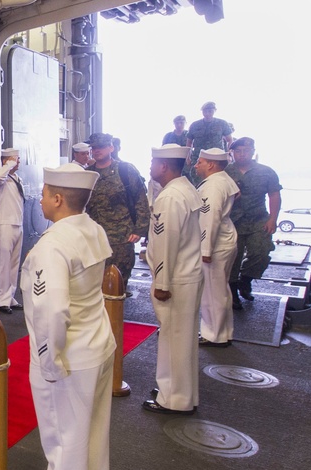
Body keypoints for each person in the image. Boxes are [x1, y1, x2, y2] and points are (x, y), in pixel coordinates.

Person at [18, 163, 115, 470]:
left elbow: (51, 311)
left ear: (58, 199)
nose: (40, 198)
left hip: (68, 356)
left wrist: (48, 361)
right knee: (91, 437)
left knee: (63, 443)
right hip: (99, 344)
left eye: (43, 193)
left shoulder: (51, 246)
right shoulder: (93, 229)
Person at [143, 144, 203, 415]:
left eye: (154, 162)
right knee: (182, 339)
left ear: (164, 166)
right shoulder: (186, 188)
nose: (151, 166)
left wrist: (162, 283)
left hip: (175, 278)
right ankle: (181, 393)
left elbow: (166, 242)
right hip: (187, 273)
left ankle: (174, 399)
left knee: (173, 340)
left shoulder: (169, 198)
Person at [85, 132, 150, 288]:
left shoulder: (125, 170)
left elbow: (140, 199)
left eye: (100, 147)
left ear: (111, 147)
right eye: (94, 147)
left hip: (121, 238)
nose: (96, 150)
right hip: (95, 237)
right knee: (95, 286)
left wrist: (140, 230)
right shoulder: (87, 174)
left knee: (117, 286)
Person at [225, 137, 282, 308]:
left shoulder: (266, 172)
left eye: (246, 151)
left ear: (253, 152)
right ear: (232, 153)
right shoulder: (225, 172)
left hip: (258, 220)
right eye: (238, 151)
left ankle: (246, 280)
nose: (242, 154)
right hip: (232, 221)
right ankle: (232, 291)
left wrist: (273, 219)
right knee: (231, 259)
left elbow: (274, 195)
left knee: (261, 253)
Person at [194, 148, 239, 346]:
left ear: (211, 165)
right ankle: (224, 331)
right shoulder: (223, 179)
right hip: (224, 240)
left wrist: (205, 250)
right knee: (221, 290)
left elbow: (209, 218)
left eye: (200, 162)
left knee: (212, 292)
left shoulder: (213, 186)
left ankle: (213, 334)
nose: (196, 166)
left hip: (215, 244)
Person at [0, 147, 25, 314]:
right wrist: (8, 164)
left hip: (18, 224)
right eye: (15, 159)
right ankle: (0, 300)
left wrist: (11, 165)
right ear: (6, 161)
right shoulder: (0, 179)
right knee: (3, 264)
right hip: (4, 224)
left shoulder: (16, 178)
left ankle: (10, 296)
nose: (18, 162)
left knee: (13, 264)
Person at [185, 102, 233, 185]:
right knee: (198, 184)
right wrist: (188, 157)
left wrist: (229, 154)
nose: (207, 113)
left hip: (216, 159)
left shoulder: (222, 123)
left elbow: (230, 140)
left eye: (210, 111)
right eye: (205, 111)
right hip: (198, 159)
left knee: (217, 183)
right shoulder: (195, 125)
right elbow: (189, 143)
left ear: (214, 111)